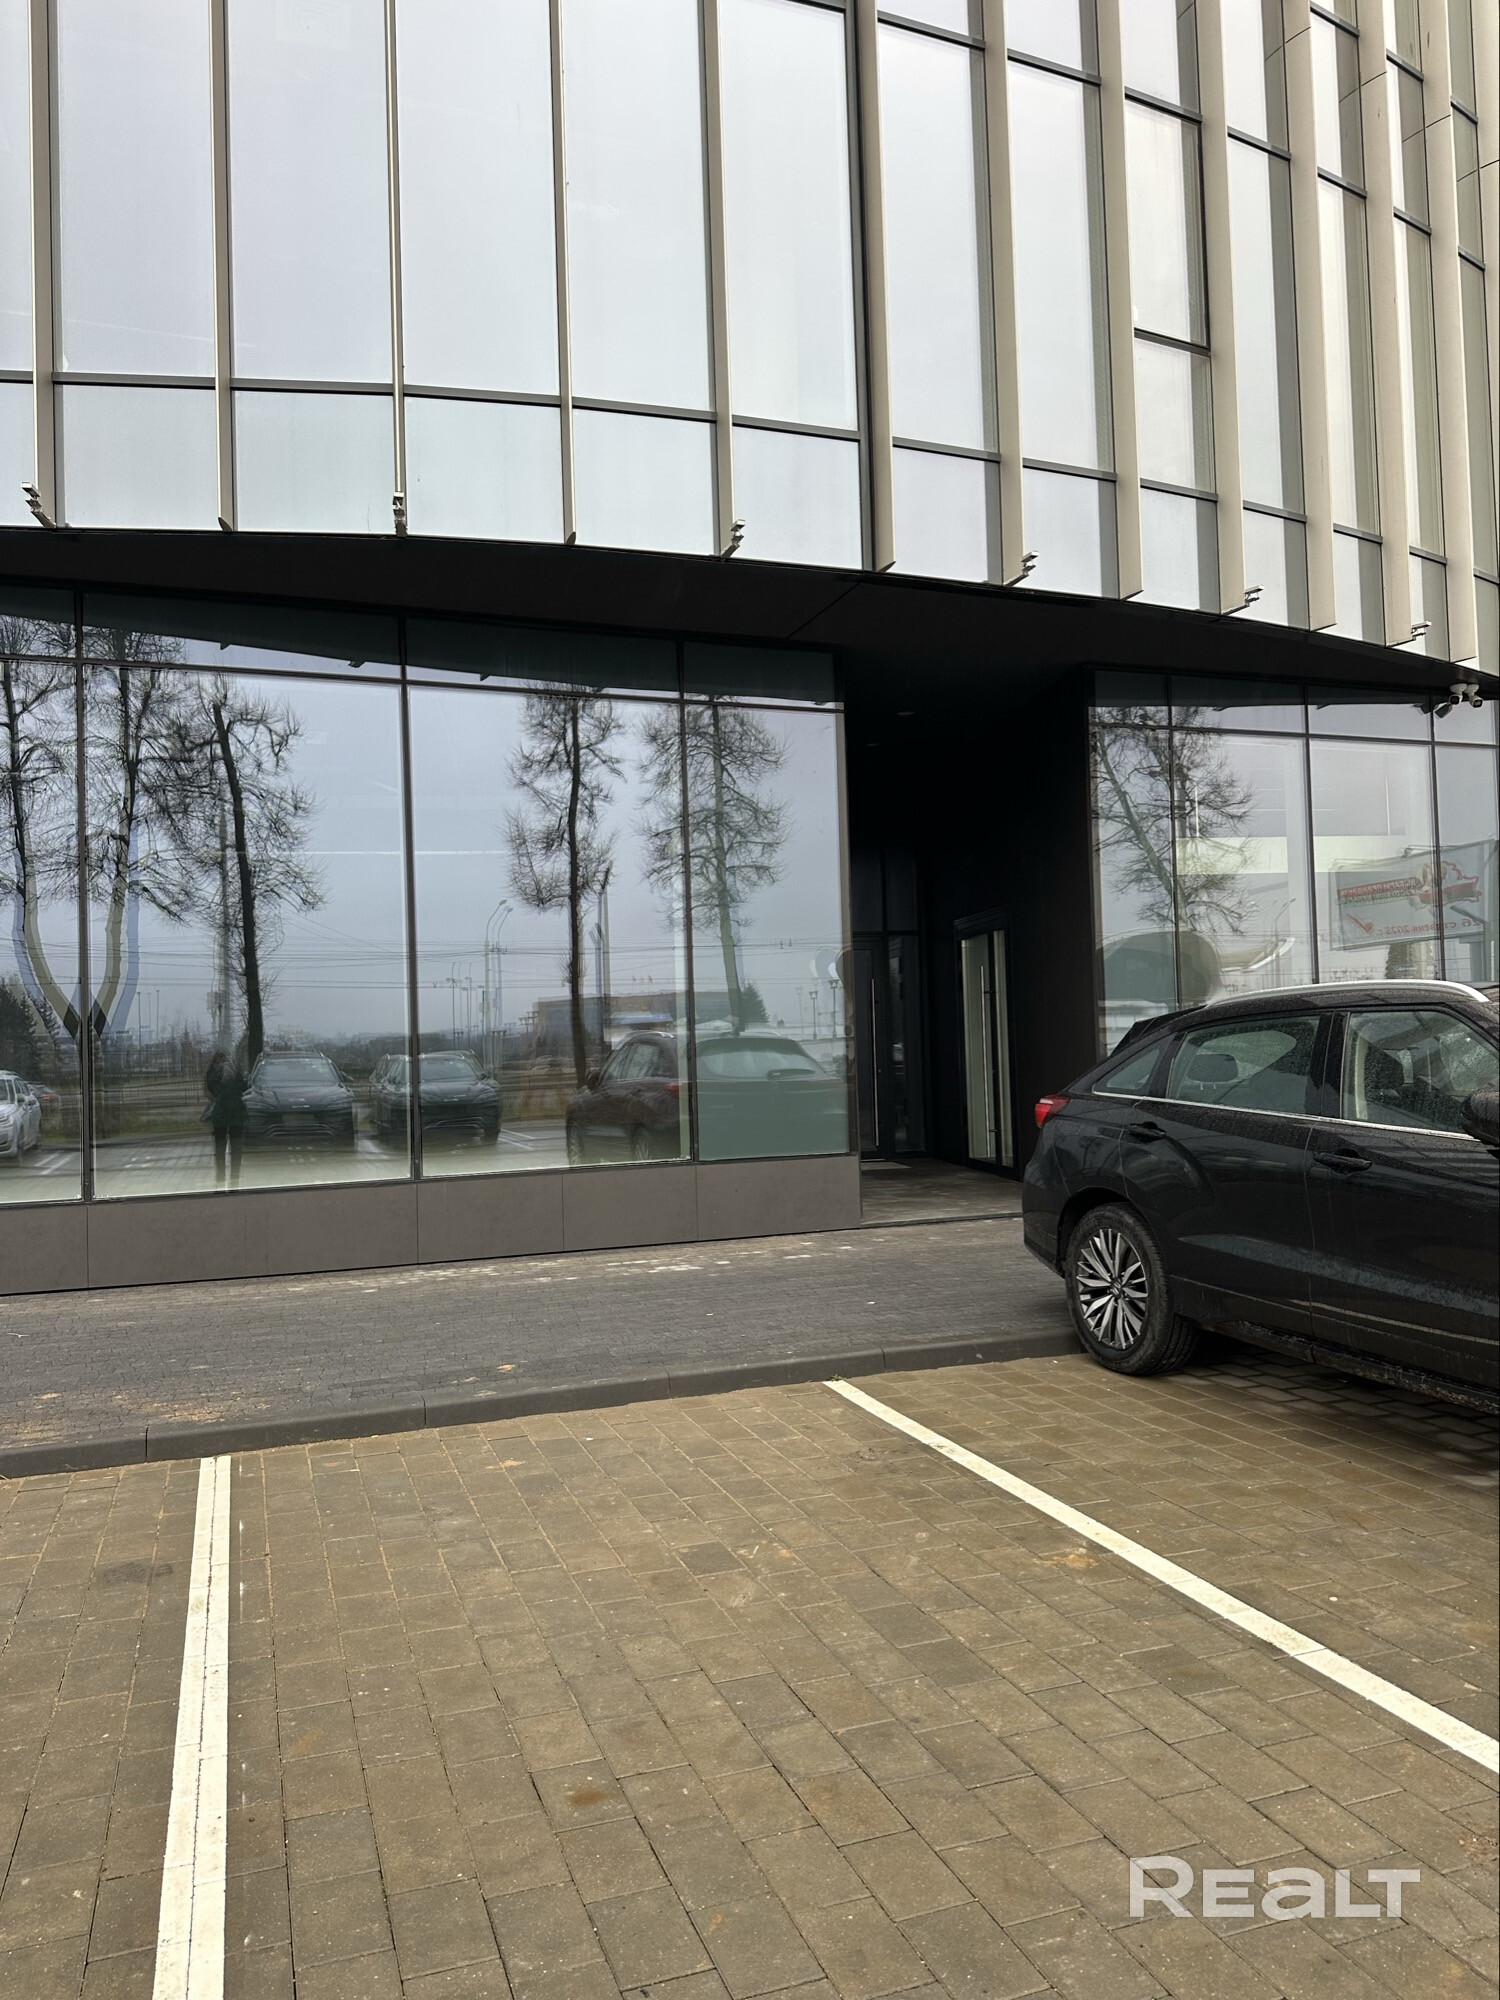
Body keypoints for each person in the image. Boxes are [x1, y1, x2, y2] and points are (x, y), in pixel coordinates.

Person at [204, 1049, 247, 1188]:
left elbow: (243, 1087)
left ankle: (230, 1176)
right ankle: (225, 1176)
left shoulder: (232, 1071)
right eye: (220, 1060)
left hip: (230, 1114)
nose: (223, 1063)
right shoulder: (215, 1073)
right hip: (226, 1114)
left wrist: (233, 1076)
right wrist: (223, 1078)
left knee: (230, 1148)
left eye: (224, 1060)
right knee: (225, 1147)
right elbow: (214, 1090)